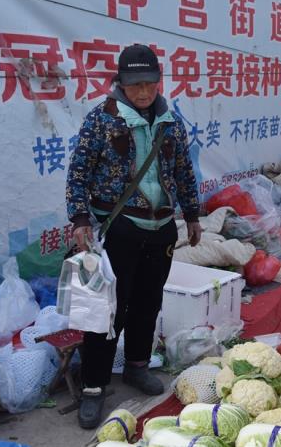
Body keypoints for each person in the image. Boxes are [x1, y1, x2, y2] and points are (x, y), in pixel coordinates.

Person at [66, 43, 202, 428]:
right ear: (120, 83)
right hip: (119, 226)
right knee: (108, 310)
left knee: (147, 302)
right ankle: (94, 387)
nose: (142, 92)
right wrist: (80, 220)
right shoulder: (102, 120)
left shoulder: (170, 122)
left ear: (159, 81)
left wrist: (191, 215)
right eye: (133, 84)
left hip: (160, 229)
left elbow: (183, 172)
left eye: (149, 83)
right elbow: (78, 174)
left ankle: (137, 366)